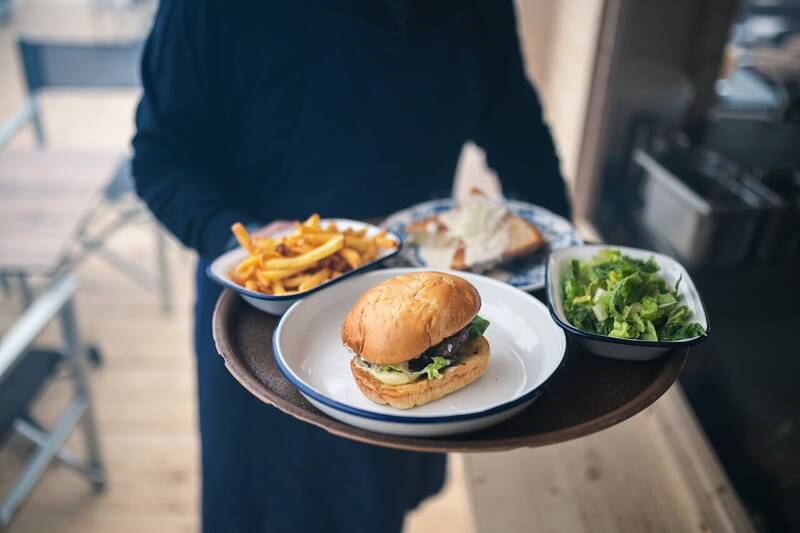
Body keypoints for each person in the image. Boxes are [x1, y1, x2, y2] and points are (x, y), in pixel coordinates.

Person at [132, 1, 570, 531]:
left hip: (420, 314)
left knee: (373, 511)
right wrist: (241, 239)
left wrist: (568, 265)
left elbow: (516, 127)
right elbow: (161, 157)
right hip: (264, 316)